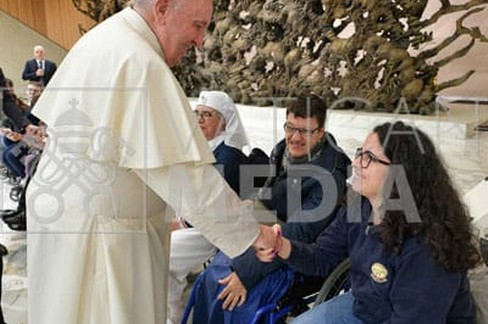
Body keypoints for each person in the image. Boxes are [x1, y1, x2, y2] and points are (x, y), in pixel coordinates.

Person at [25, 1, 278, 323]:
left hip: (73, 219)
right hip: (101, 237)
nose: (200, 40)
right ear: (161, 9)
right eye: (198, 25)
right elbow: (188, 177)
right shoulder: (139, 61)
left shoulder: (109, 38)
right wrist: (253, 235)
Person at [258, 121, 482, 323]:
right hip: (367, 307)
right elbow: (322, 257)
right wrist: (279, 245)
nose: (355, 163)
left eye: (369, 158)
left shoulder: (427, 246)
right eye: (359, 153)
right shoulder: (358, 206)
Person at [192, 94, 351, 323]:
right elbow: (270, 195)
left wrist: (245, 274)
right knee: (212, 276)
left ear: (320, 133)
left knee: (232, 292)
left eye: (304, 131)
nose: (295, 138)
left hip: (298, 254)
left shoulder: (330, 175)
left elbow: (300, 232)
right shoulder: (282, 151)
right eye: (290, 127)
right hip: (269, 235)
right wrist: (253, 204)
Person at [168, 90, 250, 323]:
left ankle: (171, 315)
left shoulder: (229, 156)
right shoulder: (200, 147)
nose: (199, 120)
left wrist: (179, 223)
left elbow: (214, 207)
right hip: (191, 219)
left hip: (213, 229)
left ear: (224, 121)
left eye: (207, 115)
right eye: (197, 114)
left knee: (164, 254)